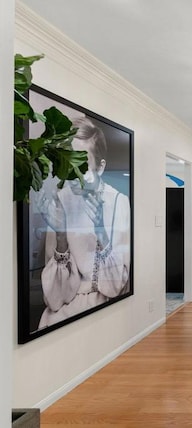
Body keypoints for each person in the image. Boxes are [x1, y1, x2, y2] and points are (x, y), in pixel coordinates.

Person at [37, 117, 131, 328]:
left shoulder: (118, 202)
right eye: (69, 161)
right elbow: (54, 298)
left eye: (82, 161)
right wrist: (60, 234)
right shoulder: (60, 199)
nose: (73, 171)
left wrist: (101, 231)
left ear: (99, 167)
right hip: (61, 311)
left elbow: (118, 285)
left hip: (105, 306)